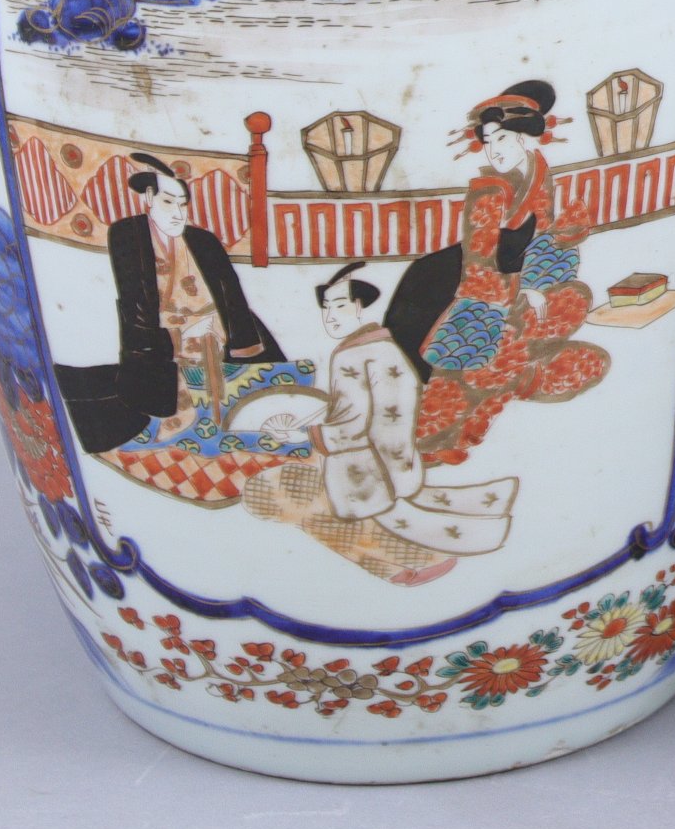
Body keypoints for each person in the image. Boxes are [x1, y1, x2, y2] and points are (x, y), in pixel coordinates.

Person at [377, 82, 613, 470]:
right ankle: (422, 442)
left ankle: (473, 422)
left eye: (501, 138)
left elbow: (541, 236)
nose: (494, 150)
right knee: (464, 364)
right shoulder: (488, 191)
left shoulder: (538, 176)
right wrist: (516, 295)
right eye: (488, 142)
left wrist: (554, 253)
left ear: (525, 137)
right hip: (448, 286)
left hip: (510, 282)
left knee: (555, 314)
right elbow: (479, 259)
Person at [242, 264, 516, 586]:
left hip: (366, 475)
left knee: (272, 491)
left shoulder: (352, 356)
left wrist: (302, 436)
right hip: (398, 465)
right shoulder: (385, 349)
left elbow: (351, 426)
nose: (330, 316)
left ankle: (414, 558)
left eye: (340, 305)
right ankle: (411, 558)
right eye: (327, 307)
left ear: (360, 307)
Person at [55, 153, 282, 455]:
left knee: (236, 379)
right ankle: (177, 434)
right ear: (149, 198)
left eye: (183, 204)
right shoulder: (128, 236)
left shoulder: (203, 241)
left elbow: (232, 298)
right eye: (168, 202)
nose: (177, 213)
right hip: (159, 335)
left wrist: (233, 338)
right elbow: (134, 304)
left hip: (212, 329)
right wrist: (172, 337)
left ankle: (218, 430)